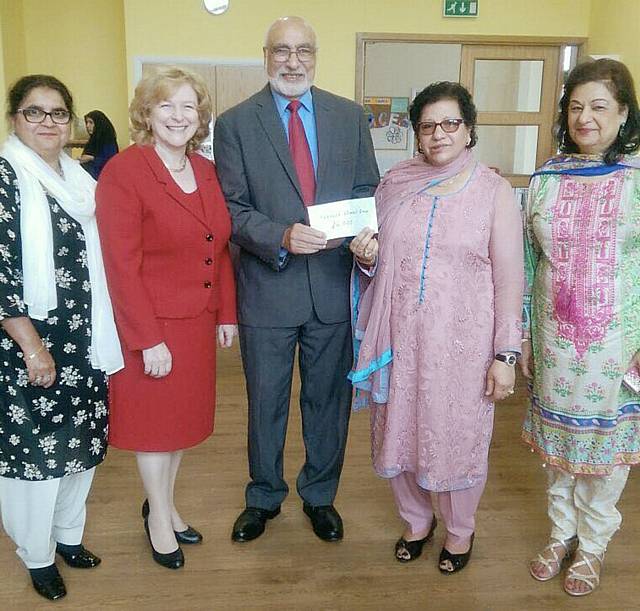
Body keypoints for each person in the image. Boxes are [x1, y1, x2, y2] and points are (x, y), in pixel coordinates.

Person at [213, 16, 379, 543]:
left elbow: (366, 188)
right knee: (265, 401)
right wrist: (280, 236)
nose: (293, 61)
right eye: (282, 51)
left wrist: (366, 230)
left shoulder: (349, 117)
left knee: (327, 403)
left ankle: (320, 496)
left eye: (303, 51)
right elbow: (231, 210)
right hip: (267, 288)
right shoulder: (237, 123)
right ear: (266, 56)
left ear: (315, 55)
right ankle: (263, 495)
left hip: (333, 287)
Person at [349, 81, 524, 573]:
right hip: (398, 342)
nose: (439, 133)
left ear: (469, 130)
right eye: (428, 125)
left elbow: (511, 279)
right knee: (398, 433)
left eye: (450, 123)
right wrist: (366, 259)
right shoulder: (394, 184)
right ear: (416, 134)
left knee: (458, 437)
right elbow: (379, 260)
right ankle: (416, 521)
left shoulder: (493, 192)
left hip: (463, 349)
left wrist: (506, 354)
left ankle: (460, 531)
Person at [96, 67, 237, 569]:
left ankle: (166, 505)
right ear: (147, 114)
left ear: (199, 117)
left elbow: (217, 245)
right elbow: (120, 263)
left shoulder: (204, 170)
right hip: (151, 326)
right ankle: (158, 519)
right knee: (154, 430)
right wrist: (146, 339)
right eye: (166, 106)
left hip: (196, 322)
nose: (178, 116)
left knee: (178, 427)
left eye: (188, 107)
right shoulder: (126, 171)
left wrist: (226, 311)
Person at [0, 75, 123, 601]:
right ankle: (37, 553)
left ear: (71, 122)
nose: (48, 122)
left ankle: (68, 536)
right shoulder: (6, 176)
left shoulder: (80, 178)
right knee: (34, 457)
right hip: (30, 342)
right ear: (14, 119)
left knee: (81, 446)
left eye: (57, 113)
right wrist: (32, 344)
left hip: (85, 337)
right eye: (35, 112)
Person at [521, 58, 640, 597]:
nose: (584, 118)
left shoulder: (637, 181)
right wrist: (522, 335)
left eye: (598, 107)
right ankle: (560, 532)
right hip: (554, 342)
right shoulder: (545, 179)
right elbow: (527, 263)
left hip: (620, 345)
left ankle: (592, 546)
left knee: (604, 456)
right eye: (575, 107)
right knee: (559, 450)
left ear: (623, 113)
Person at [78, 110, 119, 180]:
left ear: (99, 123)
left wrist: (92, 158)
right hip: (87, 179)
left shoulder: (108, 141)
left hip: (102, 180)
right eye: (87, 122)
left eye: (91, 122)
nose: (87, 126)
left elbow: (111, 163)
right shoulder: (92, 141)